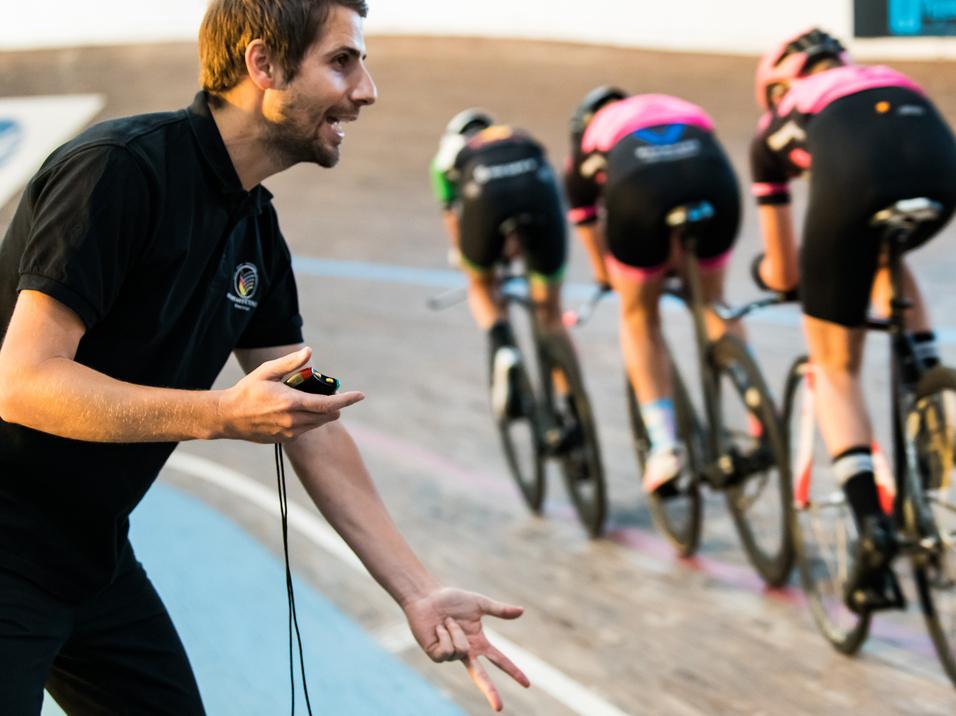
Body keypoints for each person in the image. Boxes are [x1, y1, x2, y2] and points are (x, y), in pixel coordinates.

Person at [0, 1, 529, 712]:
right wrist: (219, 414)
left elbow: (315, 414)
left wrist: (418, 589)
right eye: (343, 61)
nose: (366, 88)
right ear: (263, 65)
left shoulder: (256, 230)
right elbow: (23, 381)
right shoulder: (118, 171)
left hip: (90, 555)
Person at [750, 27, 956, 610]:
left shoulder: (779, 119)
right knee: (892, 251)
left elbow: (787, 273)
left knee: (834, 364)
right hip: (938, 163)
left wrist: (768, 274)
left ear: (779, 85)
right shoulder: (883, 74)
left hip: (856, 179)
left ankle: (872, 529)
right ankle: (930, 390)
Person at [564, 86, 742, 493]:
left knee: (639, 316)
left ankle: (664, 447)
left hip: (639, 189)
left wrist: (610, 277)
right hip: (710, 175)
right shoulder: (673, 103)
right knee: (712, 302)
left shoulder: (587, 144)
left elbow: (590, 230)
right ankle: (758, 415)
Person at [430, 110, 572, 422]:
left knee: (480, 285)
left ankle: (503, 345)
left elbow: (453, 216)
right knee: (550, 312)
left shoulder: (445, 158)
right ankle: (573, 402)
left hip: (485, 197)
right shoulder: (513, 134)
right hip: (538, 188)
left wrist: (465, 257)